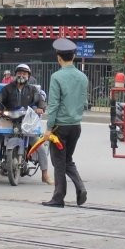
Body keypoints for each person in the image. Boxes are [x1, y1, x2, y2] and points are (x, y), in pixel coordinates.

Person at [0, 63, 51, 183]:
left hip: (26, 122)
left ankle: (45, 174)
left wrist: (40, 108)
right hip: (8, 120)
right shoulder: (7, 88)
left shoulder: (32, 90)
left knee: (40, 146)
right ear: (15, 75)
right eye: (19, 73)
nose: (21, 75)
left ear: (28, 76)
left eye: (24, 73)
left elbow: (41, 101)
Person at [42, 38, 89, 208]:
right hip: (76, 126)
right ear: (74, 56)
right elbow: (83, 102)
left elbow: (53, 105)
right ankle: (80, 188)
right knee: (67, 159)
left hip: (59, 127)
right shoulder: (83, 77)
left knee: (59, 163)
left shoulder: (57, 77)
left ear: (58, 58)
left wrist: (48, 128)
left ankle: (58, 198)